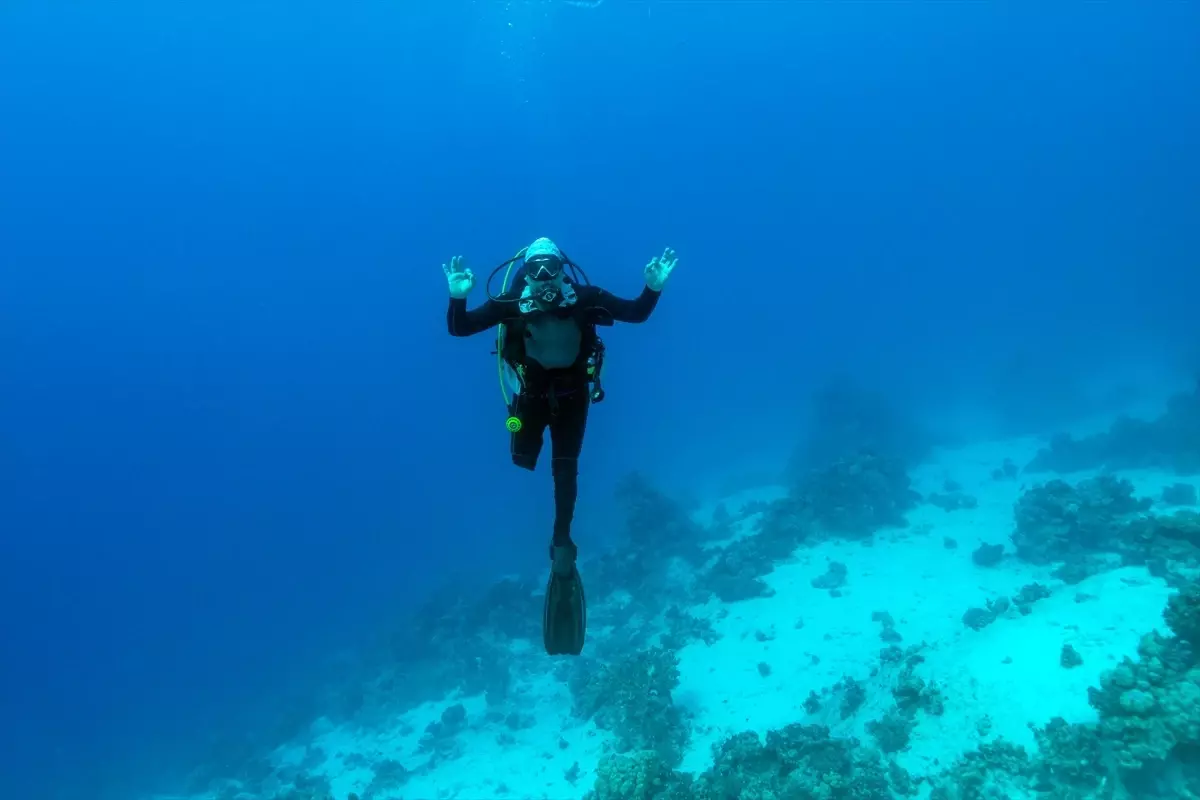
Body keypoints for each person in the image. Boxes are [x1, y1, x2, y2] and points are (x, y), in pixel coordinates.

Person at [443, 237, 678, 655]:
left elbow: (635, 313)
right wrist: (457, 296)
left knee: (565, 470)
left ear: (562, 269)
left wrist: (652, 287)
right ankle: (560, 546)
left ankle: (563, 547)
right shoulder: (509, 303)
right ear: (524, 274)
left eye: (550, 267)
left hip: (572, 399)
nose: (543, 277)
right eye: (534, 269)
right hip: (531, 400)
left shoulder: (585, 298)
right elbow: (459, 328)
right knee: (523, 458)